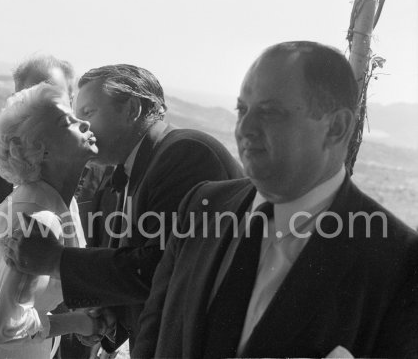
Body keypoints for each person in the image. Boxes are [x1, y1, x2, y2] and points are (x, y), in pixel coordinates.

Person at [132, 41, 418, 358]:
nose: (244, 128)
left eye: (270, 113)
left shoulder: (399, 261)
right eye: (242, 110)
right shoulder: (203, 204)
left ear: (336, 127)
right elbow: (153, 331)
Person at [3, 64, 244, 352]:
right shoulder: (130, 170)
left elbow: (162, 266)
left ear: (131, 109)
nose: (83, 126)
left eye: (88, 113)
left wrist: (57, 260)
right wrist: (112, 315)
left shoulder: (186, 154)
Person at [0, 83, 106, 358]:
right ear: (42, 151)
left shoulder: (60, 201)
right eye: (67, 122)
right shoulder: (40, 218)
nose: (84, 123)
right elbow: (4, 328)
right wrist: (78, 323)